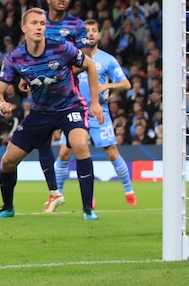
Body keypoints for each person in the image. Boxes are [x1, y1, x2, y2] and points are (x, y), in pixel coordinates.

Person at [0, 8, 104, 220]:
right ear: (24, 28)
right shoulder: (15, 57)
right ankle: (7, 207)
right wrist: (1, 103)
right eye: (34, 23)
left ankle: (88, 208)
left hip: (70, 107)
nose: (39, 26)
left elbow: (90, 65)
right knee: (7, 161)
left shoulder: (61, 47)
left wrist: (95, 102)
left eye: (42, 23)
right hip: (40, 113)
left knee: (79, 144)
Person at [53, 19, 137, 206]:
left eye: (94, 30)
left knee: (111, 152)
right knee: (65, 153)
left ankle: (129, 191)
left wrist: (107, 85)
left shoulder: (107, 60)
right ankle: (57, 194)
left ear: (99, 34)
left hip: (99, 113)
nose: (90, 34)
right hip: (74, 111)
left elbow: (126, 84)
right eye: (87, 31)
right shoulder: (72, 57)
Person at [35, 0, 91, 213]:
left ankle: (88, 206)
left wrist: (58, 74)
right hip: (41, 94)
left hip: (68, 95)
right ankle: (54, 193)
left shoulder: (77, 25)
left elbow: (85, 59)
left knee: (77, 145)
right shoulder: (39, 22)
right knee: (42, 143)